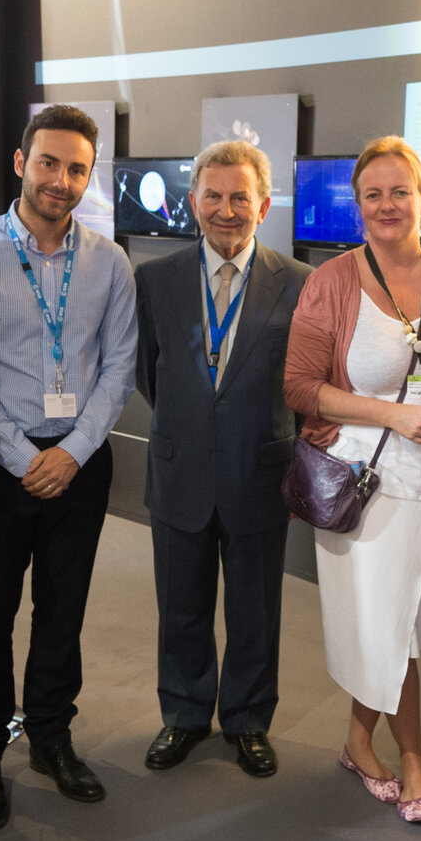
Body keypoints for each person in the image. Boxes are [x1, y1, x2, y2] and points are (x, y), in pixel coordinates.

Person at [284, 136, 421, 824]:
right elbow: (300, 387)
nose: (386, 204)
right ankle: (411, 760)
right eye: (372, 194)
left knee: (400, 622)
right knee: (391, 629)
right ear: (358, 206)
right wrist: (393, 415)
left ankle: (354, 739)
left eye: (399, 191)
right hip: (363, 487)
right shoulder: (332, 281)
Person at [0, 104, 137, 811]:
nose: (62, 180)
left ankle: (53, 738)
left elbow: (117, 367)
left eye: (78, 169)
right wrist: (16, 452)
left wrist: (76, 451)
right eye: (50, 163)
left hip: (80, 467)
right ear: (21, 162)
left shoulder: (109, 262)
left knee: (63, 612)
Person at [134, 140, 312, 778]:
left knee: (255, 612)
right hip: (180, 468)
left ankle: (247, 720)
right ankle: (182, 715)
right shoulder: (154, 279)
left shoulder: (299, 283)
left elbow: (303, 378)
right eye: (214, 196)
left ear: (263, 205)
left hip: (260, 472)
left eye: (241, 197)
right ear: (193, 202)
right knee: (179, 606)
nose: (227, 210)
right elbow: (148, 372)